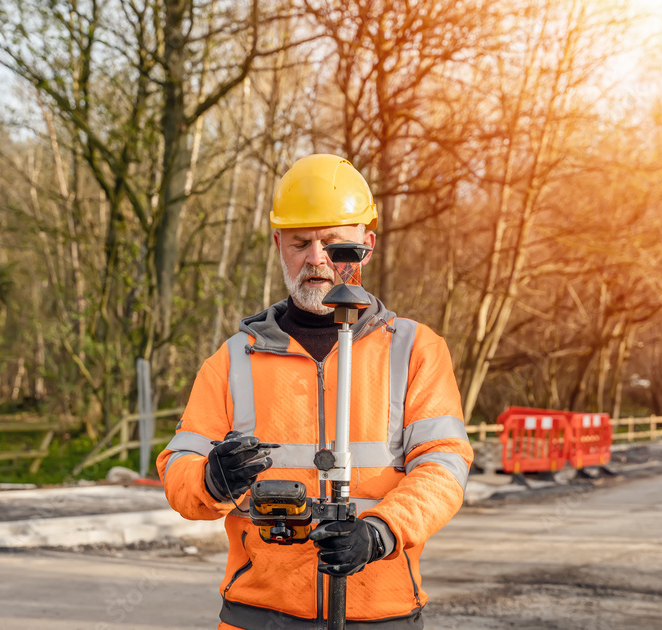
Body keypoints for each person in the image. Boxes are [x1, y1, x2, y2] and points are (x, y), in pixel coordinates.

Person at [157, 154, 473, 629]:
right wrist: (210, 480)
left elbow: (444, 465)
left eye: (333, 243)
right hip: (259, 615)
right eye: (300, 243)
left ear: (365, 246)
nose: (316, 259)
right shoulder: (235, 358)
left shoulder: (415, 350)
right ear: (278, 244)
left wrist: (380, 532)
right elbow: (176, 468)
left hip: (378, 612)